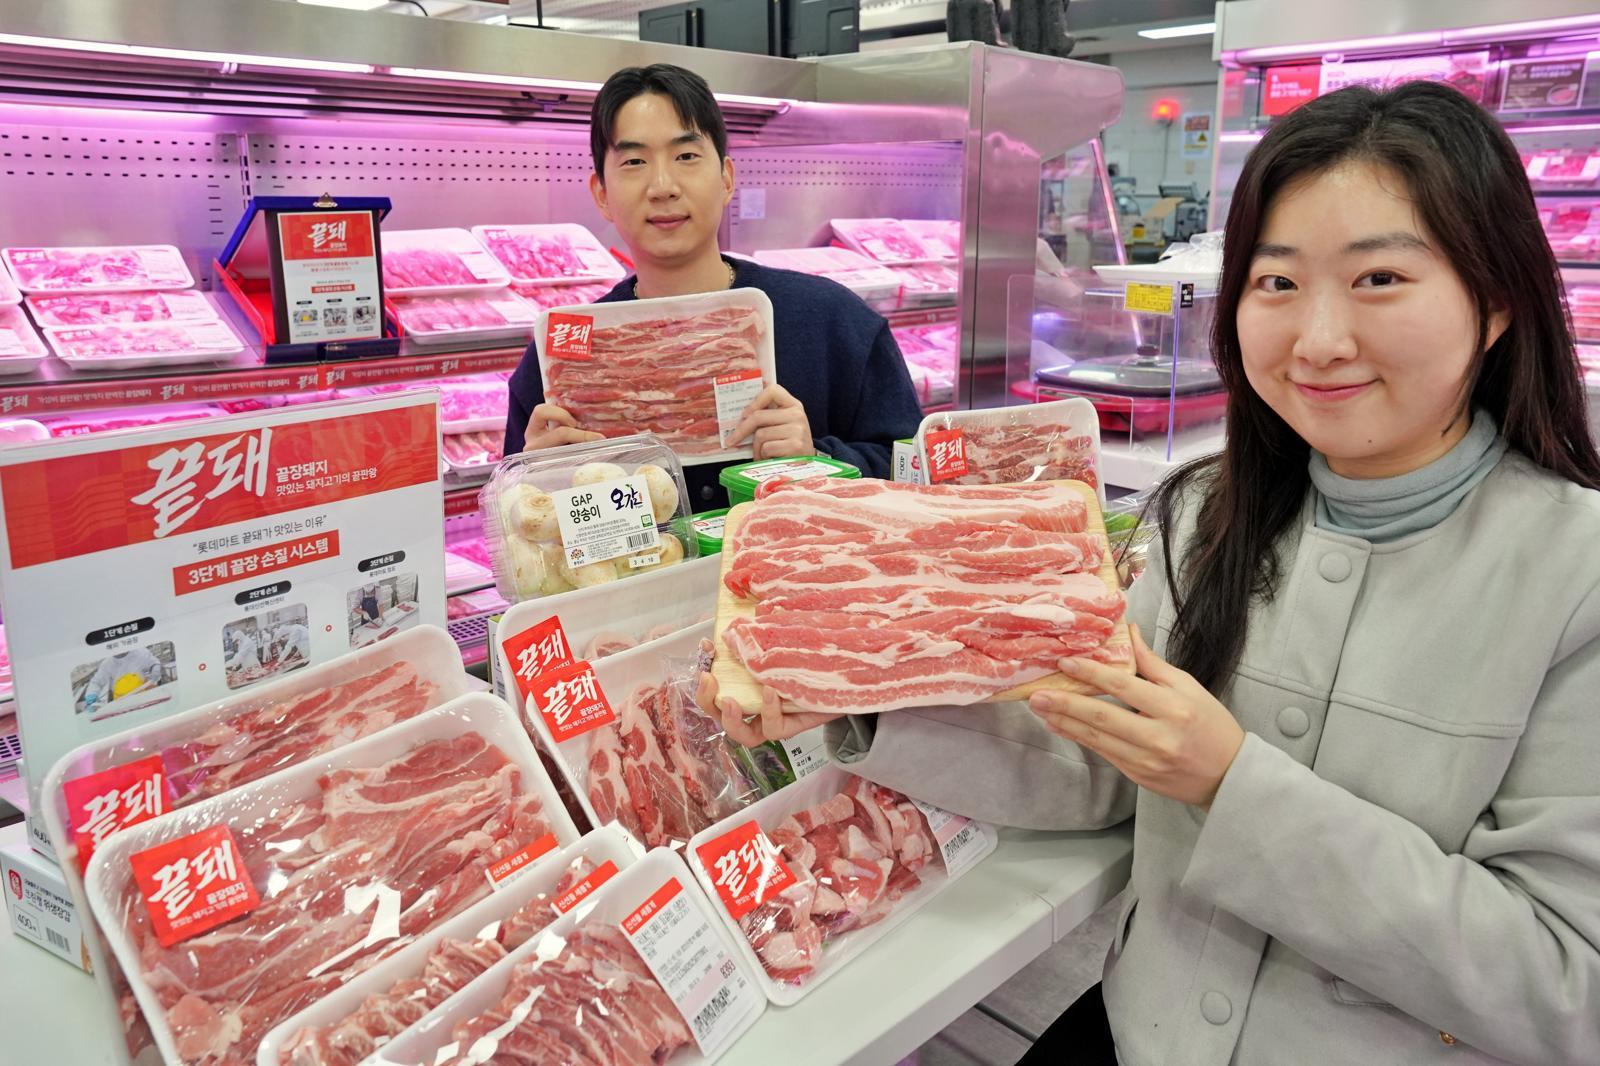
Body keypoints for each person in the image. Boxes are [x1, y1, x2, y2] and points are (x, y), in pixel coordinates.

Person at [708, 81, 1600, 1064]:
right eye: (1276, 282)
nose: (1318, 339)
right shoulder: (1202, 512)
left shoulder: (1576, 577)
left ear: (1498, 300)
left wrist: (1228, 783)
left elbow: (1565, 987)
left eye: (1379, 279)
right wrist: (858, 701)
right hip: (1146, 1026)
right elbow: (1101, 769)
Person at [504, 63, 925, 509]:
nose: (663, 186)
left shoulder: (833, 321)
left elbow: (917, 471)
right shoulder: (563, 355)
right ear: (602, 194)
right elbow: (519, 530)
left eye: (685, 156)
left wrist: (820, 459)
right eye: (633, 162)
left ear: (726, 179)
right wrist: (537, 481)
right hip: (642, 578)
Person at [82, 646, 164, 709]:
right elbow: (96, 682)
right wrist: (91, 695)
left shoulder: (140, 652)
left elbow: (153, 662)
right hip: (120, 704)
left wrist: (155, 668)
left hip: (143, 696)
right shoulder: (107, 664)